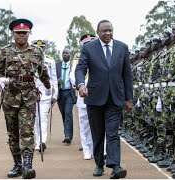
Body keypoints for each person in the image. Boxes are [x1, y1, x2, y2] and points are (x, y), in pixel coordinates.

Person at [75, 20, 133, 179]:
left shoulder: (122, 47)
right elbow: (80, 68)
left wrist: (129, 98)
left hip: (116, 98)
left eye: (110, 30)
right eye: (104, 31)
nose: (107, 33)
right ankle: (99, 164)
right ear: (98, 31)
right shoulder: (88, 48)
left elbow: (127, 75)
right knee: (98, 133)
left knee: (113, 133)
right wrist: (80, 85)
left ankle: (115, 165)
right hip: (94, 98)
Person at [0, 18, 51, 179]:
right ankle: (17, 165)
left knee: (27, 132)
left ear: (28, 34)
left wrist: (48, 87)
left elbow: (42, 71)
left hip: (29, 97)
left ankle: (28, 166)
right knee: (13, 134)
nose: (21, 36)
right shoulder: (4, 52)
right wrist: (1, 80)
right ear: (13, 34)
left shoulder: (37, 52)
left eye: (24, 33)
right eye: (18, 33)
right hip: (10, 98)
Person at [32, 40, 58, 152]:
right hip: (32, 93)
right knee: (35, 119)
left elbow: (53, 78)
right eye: (38, 48)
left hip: (46, 93)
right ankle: (37, 141)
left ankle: (42, 141)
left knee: (43, 117)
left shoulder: (50, 61)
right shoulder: (30, 60)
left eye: (42, 47)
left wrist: (55, 94)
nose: (40, 49)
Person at [56, 48, 77, 144]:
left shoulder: (73, 65)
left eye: (67, 53)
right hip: (60, 93)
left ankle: (67, 136)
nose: (65, 54)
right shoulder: (57, 65)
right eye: (63, 53)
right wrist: (57, 81)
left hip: (70, 92)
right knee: (64, 114)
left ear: (70, 55)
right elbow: (52, 78)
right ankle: (68, 133)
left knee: (68, 112)